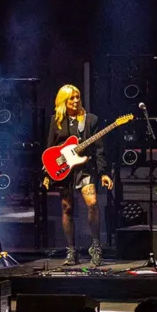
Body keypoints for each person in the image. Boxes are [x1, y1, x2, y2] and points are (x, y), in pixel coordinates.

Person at [42, 85, 113, 266]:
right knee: (67, 209)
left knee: (93, 204)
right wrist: (47, 173)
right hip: (64, 171)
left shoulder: (90, 120)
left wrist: (104, 173)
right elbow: (50, 148)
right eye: (71, 98)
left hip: (85, 168)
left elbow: (99, 149)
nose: (75, 101)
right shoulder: (56, 121)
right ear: (63, 101)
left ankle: (96, 247)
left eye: (77, 97)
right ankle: (71, 252)